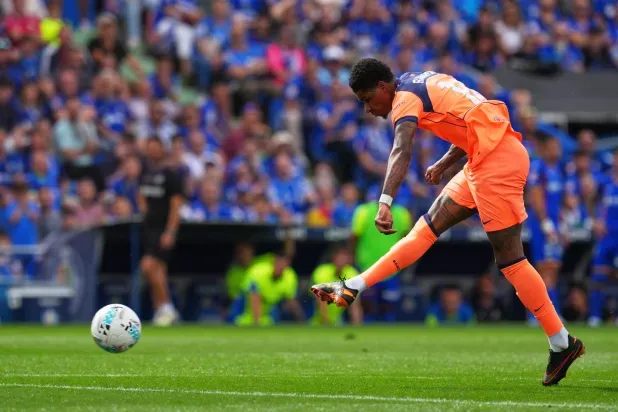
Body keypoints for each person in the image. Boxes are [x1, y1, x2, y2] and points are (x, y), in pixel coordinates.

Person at [310, 58, 584, 386]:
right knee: (424, 230)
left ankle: (561, 342)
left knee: (511, 260)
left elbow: (401, 150)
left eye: (368, 99)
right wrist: (444, 162)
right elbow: (471, 118)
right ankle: (353, 286)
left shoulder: (404, 99)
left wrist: (385, 201)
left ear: (383, 87)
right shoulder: (421, 79)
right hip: (483, 156)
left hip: (497, 159)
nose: (368, 109)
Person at [138, 137, 184, 326]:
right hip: (149, 229)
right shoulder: (145, 173)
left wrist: (171, 231)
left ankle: (166, 307)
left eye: (155, 148)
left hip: (162, 228)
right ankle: (161, 310)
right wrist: (143, 210)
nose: (152, 151)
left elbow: (176, 205)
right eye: (149, 148)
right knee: (158, 270)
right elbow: (141, 194)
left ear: (162, 150)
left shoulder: (170, 175)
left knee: (147, 266)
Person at [526, 135, 571, 325]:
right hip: (541, 225)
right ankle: (539, 315)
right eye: (552, 147)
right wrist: (545, 223)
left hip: (555, 224)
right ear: (544, 149)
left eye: (557, 147)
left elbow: (562, 201)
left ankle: (549, 314)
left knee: (553, 269)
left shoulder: (559, 170)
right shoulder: (539, 167)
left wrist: (564, 226)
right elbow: (536, 196)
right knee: (544, 269)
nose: (556, 150)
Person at [350, 186, 411, 321]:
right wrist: (353, 260)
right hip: (367, 267)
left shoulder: (402, 213)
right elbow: (354, 239)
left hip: (392, 269)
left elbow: (406, 241)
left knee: (389, 308)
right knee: (367, 307)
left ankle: (388, 329)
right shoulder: (363, 211)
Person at [231, 250, 305, 326]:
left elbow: (291, 301)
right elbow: (254, 298)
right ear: (273, 262)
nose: (281, 266)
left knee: (273, 317)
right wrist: (257, 323)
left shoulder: (290, 276)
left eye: (284, 264)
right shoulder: (258, 272)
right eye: (279, 263)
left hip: (266, 312)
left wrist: (301, 320)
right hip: (243, 308)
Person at [588, 148, 618, 327]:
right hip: (606, 237)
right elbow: (591, 200)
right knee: (598, 275)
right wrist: (595, 220)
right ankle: (595, 316)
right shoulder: (604, 181)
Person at [310, 245, 363, 326]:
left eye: (345, 257)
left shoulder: (352, 273)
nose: (342, 260)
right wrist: (326, 324)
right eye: (340, 257)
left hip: (337, 322)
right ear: (333, 258)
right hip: (318, 323)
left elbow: (355, 305)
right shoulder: (322, 271)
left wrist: (357, 325)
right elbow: (321, 302)